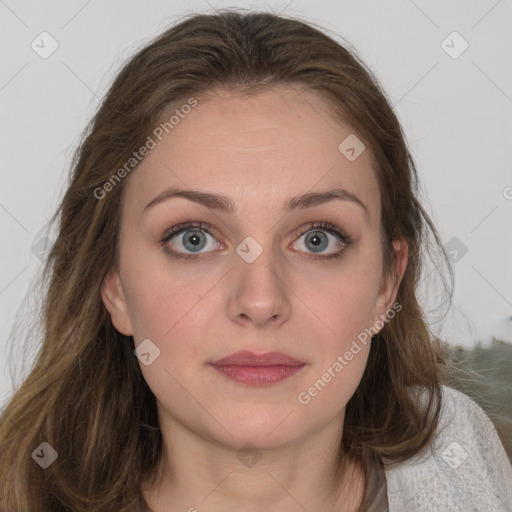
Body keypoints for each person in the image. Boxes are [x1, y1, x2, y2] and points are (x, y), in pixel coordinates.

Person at [0, 9, 510, 512]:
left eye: (317, 239)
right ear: (112, 285)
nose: (260, 300)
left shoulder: (464, 459)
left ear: (387, 285)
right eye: (193, 239)